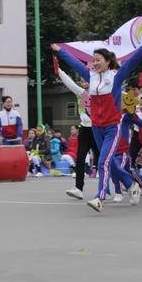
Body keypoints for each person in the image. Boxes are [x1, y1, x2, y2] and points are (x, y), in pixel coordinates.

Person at [53, 39, 142, 213]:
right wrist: (59, 51)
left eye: (99, 59)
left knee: (102, 163)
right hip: (96, 128)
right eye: (94, 60)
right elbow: (75, 64)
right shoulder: (90, 77)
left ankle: (100, 197)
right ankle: (132, 185)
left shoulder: (115, 77)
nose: (96, 62)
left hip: (112, 128)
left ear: (108, 62)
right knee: (110, 163)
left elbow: (131, 62)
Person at [55, 65, 101, 200]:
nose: (84, 83)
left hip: (98, 129)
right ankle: (79, 188)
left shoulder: (100, 92)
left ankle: (114, 188)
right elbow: (69, 83)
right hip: (84, 129)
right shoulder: (81, 93)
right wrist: (59, 71)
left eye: (87, 80)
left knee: (102, 161)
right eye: (82, 80)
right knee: (80, 158)